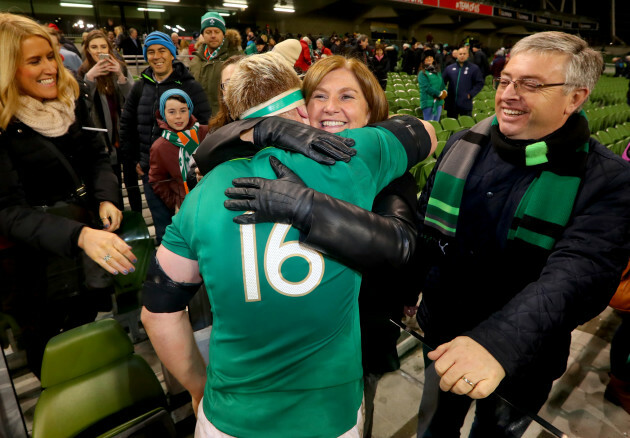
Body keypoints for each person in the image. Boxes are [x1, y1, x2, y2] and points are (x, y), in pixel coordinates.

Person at [142, 51, 435, 438]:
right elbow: (425, 132)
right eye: (318, 97)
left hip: (232, 413)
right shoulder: (356, 157)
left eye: (347, 97)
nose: (330, 109)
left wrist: (198, 385)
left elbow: (158, 313)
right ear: (301, 111)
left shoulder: (205, 189)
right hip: (328, 413)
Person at [413, 31, 630, 437]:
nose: (509, 94)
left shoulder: (608, 180)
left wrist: (497, 344)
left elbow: (578, 276)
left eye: (531, 84)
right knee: (433, 429)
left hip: (524, 355)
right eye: (506, 80)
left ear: (575, 98)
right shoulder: (465, 142)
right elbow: (424, 228)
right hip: (443, 333)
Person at [0, 13, 136, 377]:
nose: (50, 68)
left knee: (91, 332)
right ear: (7, 68)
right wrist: (79, 236)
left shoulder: (71, 100)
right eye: (34, 60)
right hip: (36, 272)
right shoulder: (3, 126)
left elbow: (97, 156)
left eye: (50, 56)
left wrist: (106, 197)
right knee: (55, 362)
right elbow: (8, 212)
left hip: (86, 251)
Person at [119, 31, 211, 244]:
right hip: (153, 174)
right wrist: (134, 160)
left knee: (193, 228)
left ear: (172, 54)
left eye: (162, 50)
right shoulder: (140, 86)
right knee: (164, 229)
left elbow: (207, 126)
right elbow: (127, 124)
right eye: (150, 52)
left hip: (185, 174)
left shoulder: (189, 85)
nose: (156, 56)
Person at [78, 30, 136, 210]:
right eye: (94, 47)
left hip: (123, 136)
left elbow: (132, 98)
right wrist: (89, 79)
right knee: (112, 184)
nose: (98, 50)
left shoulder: (120, 67)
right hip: (102, 140)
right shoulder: (82, 73)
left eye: (103, 46)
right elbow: (80, 108)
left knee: (132, 183)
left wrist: (120, 75)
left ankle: (137, 217)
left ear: (109, 49)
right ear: (87, 49)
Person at [149, 90, 209, 212]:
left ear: (190, 110)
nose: (178, 116)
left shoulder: (206, 132)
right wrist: (175, 202)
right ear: (163, 114)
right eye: (171, 112)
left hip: (213, 196)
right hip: (187, 205)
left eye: (183, 110)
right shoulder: (160, 147)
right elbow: (157, 181)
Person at [189, 11, 242, 116]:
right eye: (208, 32)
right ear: (203, 34)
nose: (213, 35)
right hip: (200, 120)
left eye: (217, 31)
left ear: (223, 33)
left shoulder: (236, 59)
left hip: (226, 121)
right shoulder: (196, 60)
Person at [441, 44, 484, 118]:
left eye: (464, 54)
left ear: (468, 55)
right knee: (452, 124)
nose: (462, 56)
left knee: (466, 125)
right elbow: (442, 82)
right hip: (451, 103)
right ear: (457, 55)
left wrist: (471, 94)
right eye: (460, 54)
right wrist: (444, 93)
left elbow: (479, 83)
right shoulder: (449, 68)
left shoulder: (474, 68)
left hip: (465, 103)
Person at [418, 51, 447, 121]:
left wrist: (444, 91)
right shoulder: (422, 73)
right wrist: (439, 94)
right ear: (423, 60)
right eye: (427, 57)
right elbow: (426, 87)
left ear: (433, 59)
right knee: (429, 125)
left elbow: (442, 84)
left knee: (436, 125)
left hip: (438, 102)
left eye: (431, 57)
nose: (429, 59)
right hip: (428, 102)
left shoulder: (437, 72)